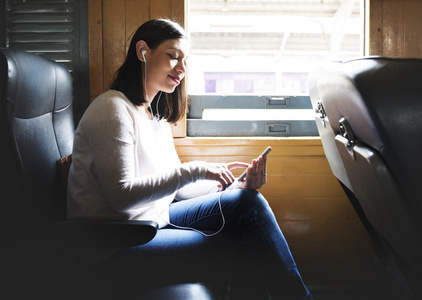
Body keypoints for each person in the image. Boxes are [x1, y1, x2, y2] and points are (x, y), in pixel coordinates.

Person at [67, 18, 313, 300]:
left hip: (151, 221)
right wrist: (195, 171)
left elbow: (178, 188)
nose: (182, 69)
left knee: (247, 202)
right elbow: (120, 196)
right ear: (143, 52)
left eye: (186, 61)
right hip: (115, 246)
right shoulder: (112, 108)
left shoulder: (153, 115)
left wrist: (233, 186)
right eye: (173, 57)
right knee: (240, 246)